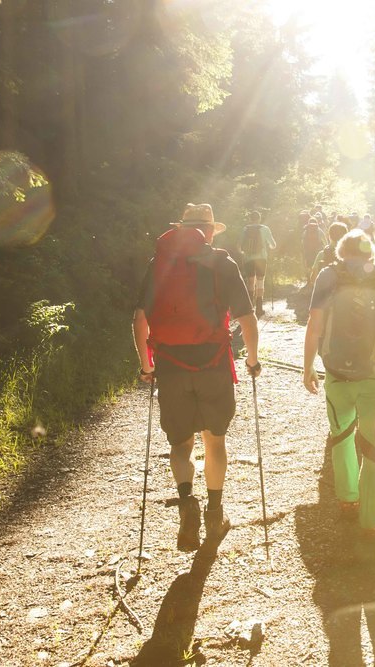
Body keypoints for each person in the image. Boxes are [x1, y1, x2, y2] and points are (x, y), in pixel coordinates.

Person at [132, 203, 261, 552]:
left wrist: (147, 366)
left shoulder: (160, 263)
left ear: (180, 229)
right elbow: (247, 318)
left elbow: (140, 320)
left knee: (180, 444)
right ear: (209, 231)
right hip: (213, 364)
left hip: (171, 367)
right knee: (214, 441)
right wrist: (252, 359)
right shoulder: (222, 263)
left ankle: (187, 503)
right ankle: (215, 513)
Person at [303, 230, 375, 534]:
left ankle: (348, 499)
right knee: (373, 442)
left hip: (336, 371)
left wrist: (308, 366)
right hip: (374, 374)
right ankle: (372, 519)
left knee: (341, 435)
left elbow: (314, 324)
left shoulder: (328, 275)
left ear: (341, 251)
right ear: (370, 252)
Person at [238, 210, 277, 317]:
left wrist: (244, 252)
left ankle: (250, 308)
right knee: (260, 282)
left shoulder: (245, 229)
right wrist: (269, 247)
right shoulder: (265, 229)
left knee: (250, 282)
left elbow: (239, 246)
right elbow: (273, 245)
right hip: (261, 259)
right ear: (259, 218)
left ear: (250, 219)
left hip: (248, 259)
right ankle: (259, 308)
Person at [309, 221, 349, 286]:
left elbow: (313, 278)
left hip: (327, 290)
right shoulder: (351, 255)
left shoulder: (322, 254)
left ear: (329, 236)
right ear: (346, 237)